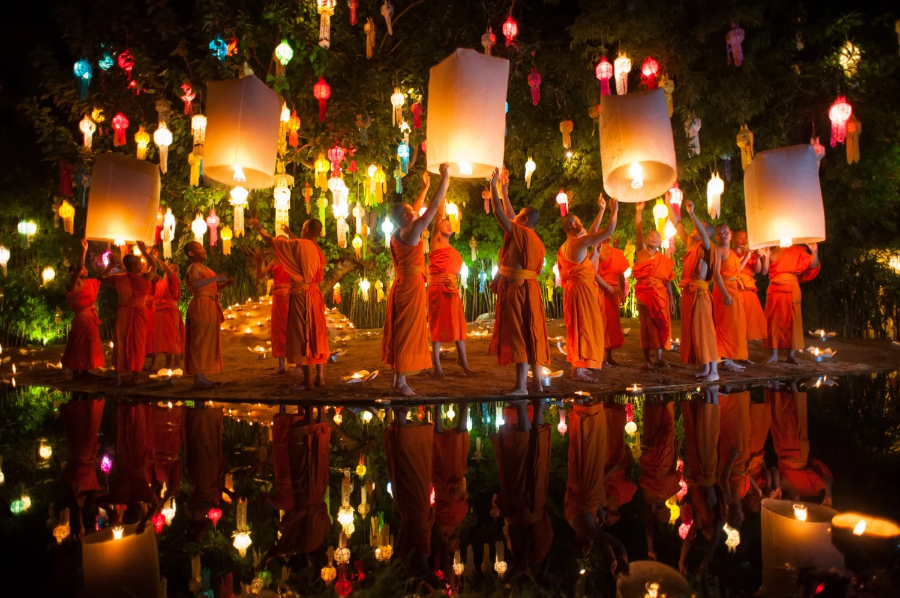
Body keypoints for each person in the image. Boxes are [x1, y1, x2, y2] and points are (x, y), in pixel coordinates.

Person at [382, 164, 451, 396]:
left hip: (404, 285)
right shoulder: (410, 233)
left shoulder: (399, 232)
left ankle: (396, 378)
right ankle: (401, 382)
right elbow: (430, 210)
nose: (416, 211)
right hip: (409, 287)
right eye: (412, 211)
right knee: (406, 331)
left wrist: (424, 188)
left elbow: (420, 208)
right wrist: (444, 179)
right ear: (405, 216)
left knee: (403, 328)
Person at [488, 168, 551, 394]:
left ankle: (521, 387)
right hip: (530, 290)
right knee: (531, 330)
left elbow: (499, 213)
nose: (513, 217)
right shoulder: (533, 238)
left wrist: (493, 185)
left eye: (518, 216)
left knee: (519, 334)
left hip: (518, 290)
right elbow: (509, 214)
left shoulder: (521, 233)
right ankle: (537, 384)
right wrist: (505, 192)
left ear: (523, 220)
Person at [252, 219, 329, 390]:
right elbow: (299, 247)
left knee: (304, 334)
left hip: (302, 295)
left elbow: (272, 241)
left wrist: (260, 229)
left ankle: (307, 381)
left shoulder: (299, 246)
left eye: (301, 228)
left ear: (306, 229)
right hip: (315, 295)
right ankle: (320, 377)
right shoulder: (317, 250)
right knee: (317, 333)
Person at [565, 398, 629, 575]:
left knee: (588, 447)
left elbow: (614, 542)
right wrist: (612, 558)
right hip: (583, 482)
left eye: (589, 548)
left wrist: (624, 562)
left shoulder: (586, 528)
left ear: (585, 544)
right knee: (586, 448)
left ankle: (586, 408)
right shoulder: (576, 524)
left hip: (587, 481)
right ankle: (585, 408)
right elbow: (602, 537)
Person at [558, 198, 619, 381]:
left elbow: (591, 233)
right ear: (572, 225)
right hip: (580, 292)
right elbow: (607, 231)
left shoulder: (571, 244)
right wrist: (614, 210)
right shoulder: (576, 244)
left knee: (582, 327)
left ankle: (581, 367)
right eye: (578, 222)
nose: (581, 225)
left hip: (579, 290)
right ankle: (578, 370)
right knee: (581, 328)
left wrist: (601, 210)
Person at [491, 399, 554, 574]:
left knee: (535, 452)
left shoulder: (537, 553)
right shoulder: (533, 555)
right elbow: (542, 527)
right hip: (522, 504)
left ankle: (535, 404)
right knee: (522, 453)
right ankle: (524, 404)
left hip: (532, 502)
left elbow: (546, 526)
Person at [425, 172, 475, 378]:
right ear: (437, 228)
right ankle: (436, 366)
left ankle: (462, 360)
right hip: (438, 290)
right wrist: (444, 183)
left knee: (459, 324)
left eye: (449, 223)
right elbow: (438, 212)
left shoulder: (451, 247)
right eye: (444, 223)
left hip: (452, 290)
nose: (448, 224)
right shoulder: (437, 242)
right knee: (437, 326)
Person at [667, 198, 719, 381]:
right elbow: (677, 224)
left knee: (705, 331)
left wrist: (692, 213)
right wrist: (667, 203)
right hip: (690, 293)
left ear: (705, 233)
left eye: (696, 228)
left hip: (701, 294)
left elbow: (704, 236)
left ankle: (714, 371)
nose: (692, 229)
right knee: (696, 331)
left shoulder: (707, 247)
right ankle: (705, 367)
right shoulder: (692, 246)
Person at [273, 406, 332, 561]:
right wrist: (266, 560)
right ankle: (308, 410)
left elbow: (325, 514)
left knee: (318, 451)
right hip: (306, 495)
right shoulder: (306, 546)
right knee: (304, 453)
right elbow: (283, 548)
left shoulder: (325, 531)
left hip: (318, 491)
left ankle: (319, 410)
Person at [384, 405, 434, 577]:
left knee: (409, 468)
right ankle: (400, 418)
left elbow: (425, 572)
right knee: (408, 469)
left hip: (416, 513)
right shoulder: (409, 558)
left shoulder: (412, 558)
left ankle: (401, 418)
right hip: (416, 511)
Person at [769, 381, 833, 505]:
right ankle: (793, 386)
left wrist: (777, 487)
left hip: (782, 451)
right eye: (797, 503)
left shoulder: (783, 485)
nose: (794, 500)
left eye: (790, 502)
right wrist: (828, 495)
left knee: (778, 420)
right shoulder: (811, 490)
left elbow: (773, 469)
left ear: (787, 500)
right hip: (799, 455)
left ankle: (777, 385)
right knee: (798, 420)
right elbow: (825, 478)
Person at [101, 242, 156, 385]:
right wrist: (144, 251)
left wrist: (111, 265)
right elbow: (154, 266)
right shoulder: (144, 278)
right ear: (135, 266)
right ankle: (134, 376)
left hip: (124, 314)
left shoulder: (119, 278)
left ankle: (119, 375)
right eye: (139, 263)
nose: (142, 265)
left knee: (121, 342)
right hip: (137, 312)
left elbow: (100, 279)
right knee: (137, 343)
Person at [183, 241, 232, 390]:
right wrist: (216, 278)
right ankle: (198, 378)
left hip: (210, 304)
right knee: (200, 340)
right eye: (199, 248)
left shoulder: (206, 268)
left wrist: (225, 284)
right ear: (191, 253)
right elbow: (195, 283)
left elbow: (211, 289)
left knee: (207, 341)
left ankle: (202, 377)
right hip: (201, 306)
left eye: (203, 248)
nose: (203, 250)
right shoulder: (194, 267)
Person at [761, 244, 821, 364]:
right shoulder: (770, 251)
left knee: (792, 321)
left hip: (791, 288)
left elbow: (813, 265)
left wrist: (814, 251)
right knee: (774, 320)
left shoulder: (797, 249)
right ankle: (774, 354)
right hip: (774, 289)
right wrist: (766, 257)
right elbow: (765, 271)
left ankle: (791, 354)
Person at [633, 203, 675, 368]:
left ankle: (658, 358)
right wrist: (639, 211)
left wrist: (671, 298)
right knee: (646, 326)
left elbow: (668, 279)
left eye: (657, 236)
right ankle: (647, 359)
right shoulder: (641, 253)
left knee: (659, 324)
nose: (654, 237)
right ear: (646, 239)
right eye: (651, 235)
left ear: (661, 241)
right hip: (644, 295)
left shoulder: (663, 259)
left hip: (661, 295)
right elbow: (638, 229)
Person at [589, 197, 629, 366]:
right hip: (599, 289)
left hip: (613, 292)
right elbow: (593, 231)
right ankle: (597, 354)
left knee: (612, 323)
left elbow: (621, 275)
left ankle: (609, 355)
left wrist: (622, 292)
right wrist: (604, 210)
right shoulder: (596, 247)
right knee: (599, 322)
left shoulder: (617, 252)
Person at [62, 239, 111, 378]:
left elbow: (101, 277)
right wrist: (83, 250)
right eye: (82, 268)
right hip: (82, 318)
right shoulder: (75, 282)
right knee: (79, 345)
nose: (85, 269)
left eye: (84, 268)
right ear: (73, 273)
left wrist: (112, 265)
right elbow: (78, 268)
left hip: (90, 318)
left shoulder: (89, 282)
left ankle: (85, 370)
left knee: (88, 345)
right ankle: (77, 372)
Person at [640, 397, 681, 561]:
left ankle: (653, 396)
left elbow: (648, 531)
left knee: (653, 424)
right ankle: (663, 397)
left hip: (651, 456)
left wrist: (651, 550)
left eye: (663, 517)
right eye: (668, 515)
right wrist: (676, 451)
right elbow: (673, 470)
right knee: (666, 425)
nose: (666, 514)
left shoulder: (649, 500)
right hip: (666, 455)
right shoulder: (668, 494)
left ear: (656, 517)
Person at [432, 403, 470, 580]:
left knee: (440, 448)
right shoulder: (455, 524)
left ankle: (438, 408)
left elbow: (443, 509)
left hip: (445, 486)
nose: (458, 543)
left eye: (454, 546)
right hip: (454, 485)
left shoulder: (444, 528)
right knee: (459, 444)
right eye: (458, 545)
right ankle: (464, 408)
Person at [60, 396, 105, 538]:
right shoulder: (83, 493)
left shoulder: (72, 494)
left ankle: (87, 402)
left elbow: (75, 507)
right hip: (86, 455)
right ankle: (88, 402)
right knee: (87, 426)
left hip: (83, 454)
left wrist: (79, 524)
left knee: (86, 427)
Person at [184, 407, 226, 539]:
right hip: (210, 479)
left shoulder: (194, 513)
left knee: (203, 446)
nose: (205, 532)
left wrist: (214, 504)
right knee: (210, 447)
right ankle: (206, 416)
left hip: (205, 478)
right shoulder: (203, 515)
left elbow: (200, 501)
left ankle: (201, 415)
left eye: (201, 534)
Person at [713, 224, 749, 371]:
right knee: (725, 324)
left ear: (730, 233)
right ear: (715, 236)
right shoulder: (718, 250)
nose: (723, 235)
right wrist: (725, 294)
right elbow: (716, 274)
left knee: (735, 324)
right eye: (719, 233)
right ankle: (723, 358)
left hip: (735, 288)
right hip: (724, 290)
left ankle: (729, 357)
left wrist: (746, 257)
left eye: (725, 232)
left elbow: (736, 270)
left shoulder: (731, 252)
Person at [717, 387, 751, 530]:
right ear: (743, 515)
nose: (737, 515)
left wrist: (732, 458)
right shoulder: (742, 496)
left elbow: (724, 478)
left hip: (732, 458)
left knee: (730, 425)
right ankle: (739, 392)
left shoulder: (729, 499)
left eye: (734, 518)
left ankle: (726, 395)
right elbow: (747, 476)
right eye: (739, 518)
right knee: (742, 423)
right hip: (742, 457)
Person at [604, 400, 638, 525]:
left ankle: (604, 406)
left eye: (611, 514)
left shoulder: (604, 501)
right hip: (620, 464)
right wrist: (627, 457)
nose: (613, 512)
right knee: (616, 434)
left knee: (607, 436)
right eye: (615, 514)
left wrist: (613, 469)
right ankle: (614, 406)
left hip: (608, 465)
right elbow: (628, 475)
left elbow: (600, 481)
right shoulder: (627, 497)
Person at [732, 231, 768, 349]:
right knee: (737, 320)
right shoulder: (729, 253)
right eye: (740, 237)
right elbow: (734, 271)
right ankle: (736, 352)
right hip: (736, 287)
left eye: (745, 237)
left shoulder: (749, 253)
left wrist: (757, 258)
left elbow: (758, 270)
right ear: (732, 238)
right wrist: (746, 257)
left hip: (748, 288)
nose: (743, 240)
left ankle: (743, 353)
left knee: (748, 320)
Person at [148, 403, 184, 507]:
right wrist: (160, 504)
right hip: (166, 449)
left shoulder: (156, 479)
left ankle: (167, 408)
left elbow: (170, 490)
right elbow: (171, 490)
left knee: (166, 428)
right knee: (168, 428)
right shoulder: (159, 479)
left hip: (163, 448)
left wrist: (159, 504)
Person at [151, 258, 184, 370]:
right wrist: (147, 257)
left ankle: (177, 363)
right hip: (159, 311)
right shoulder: (160, 282)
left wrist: (157, 258)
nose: (171, 270)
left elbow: (167, 272)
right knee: (163, 338)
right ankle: (167, 362)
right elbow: (149, 273)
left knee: (173, 336)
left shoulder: (174, 280)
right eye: (170, 268)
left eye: (174, 269)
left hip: (170, 311)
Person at [261, 256, 291, 374]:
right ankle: (281, 362)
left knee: (292, 328)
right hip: (278, 297)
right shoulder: (274, 261)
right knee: (278, 328)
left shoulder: (291, 259)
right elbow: (262, 274)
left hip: (290, 295)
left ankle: (298, 362)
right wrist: (259, 262)